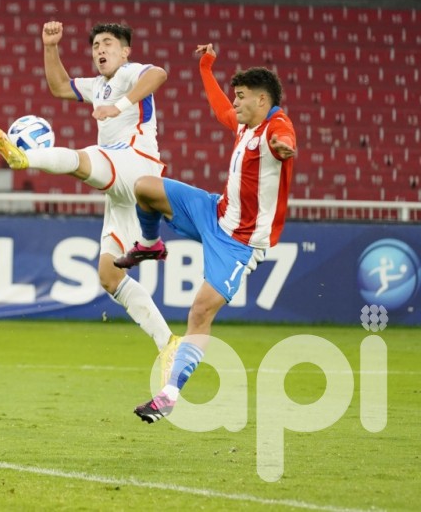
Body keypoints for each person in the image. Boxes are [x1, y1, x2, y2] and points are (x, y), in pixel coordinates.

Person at [113, 43, 297, 423]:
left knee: (199, 312)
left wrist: (284, 149)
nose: (236, 104)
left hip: (240, 243)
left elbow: (286, 143)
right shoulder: (246, 125)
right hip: (215, 212)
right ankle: (149, 245)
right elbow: (219, 108)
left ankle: (168, 394)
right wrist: (206, 67)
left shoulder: (276, 126)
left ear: (263, 100)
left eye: (242, 97)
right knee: (146, 187)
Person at [0, 21, 175, 355]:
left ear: (125, 51)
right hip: (121, 190)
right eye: (96, 45)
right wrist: (50, 46)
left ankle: (25, 160)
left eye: (109, 43)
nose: (100, 49)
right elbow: (59, 87)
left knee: (83, 159)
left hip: (138, 163)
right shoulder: (97, 85)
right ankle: (169, 344)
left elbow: (158, 74)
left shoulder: (130, 73)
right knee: (109, 276)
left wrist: (120, 106)